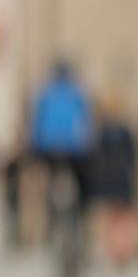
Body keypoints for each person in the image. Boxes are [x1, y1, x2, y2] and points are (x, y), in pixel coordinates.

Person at [29, 60, 94, 210]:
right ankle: (78, 215)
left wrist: (35, 146)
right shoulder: (77, 93)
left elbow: (37, 122)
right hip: (73, 148)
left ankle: (51, 213)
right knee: (80, 183)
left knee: (50, 180)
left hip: (48, 146)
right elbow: (86, 122)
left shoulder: (46, 92)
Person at [91, 95, 138, 268]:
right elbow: (134, 157)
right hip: (124, 178)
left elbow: (95, 157)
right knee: (125, 217)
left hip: (107, 179)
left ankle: (114, 249)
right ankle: (125, 249)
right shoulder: (126, 132)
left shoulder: (103, 132)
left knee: (111, 218)